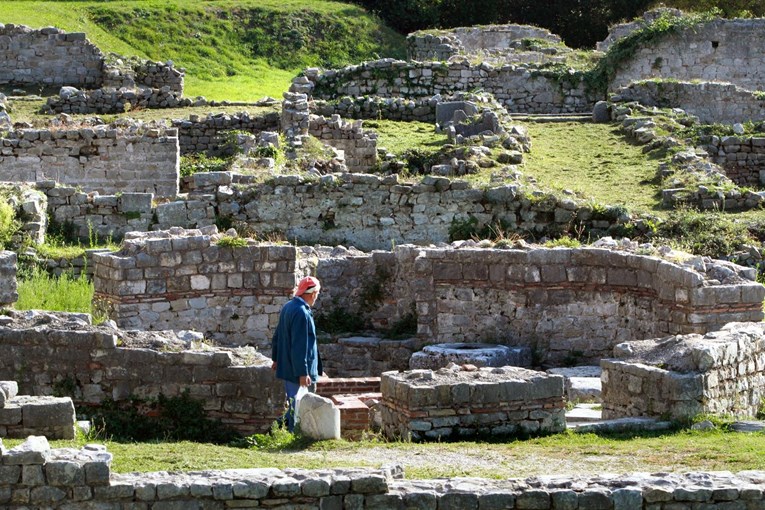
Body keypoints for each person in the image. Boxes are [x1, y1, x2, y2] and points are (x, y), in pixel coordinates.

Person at [271, 275, 323, 432]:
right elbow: (300, 346)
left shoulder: (288, 306)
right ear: (312, 293)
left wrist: (276, 359)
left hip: (288, 367)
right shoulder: (302, 312)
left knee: (294, 405)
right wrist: (303, 372)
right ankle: (295, 435)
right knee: (300, 408)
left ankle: (281, 430)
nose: (317, 297)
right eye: (317, 293)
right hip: (298, 371)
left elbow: (277, 336)